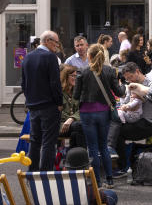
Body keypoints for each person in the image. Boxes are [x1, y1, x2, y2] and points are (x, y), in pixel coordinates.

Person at [73, 44, 125, 187]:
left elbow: (76, 95)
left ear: (89, 56)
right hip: (103, 112)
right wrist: (124, 84)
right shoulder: (109, 71)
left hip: (86, 113)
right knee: (104, 146)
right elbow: (120, 92)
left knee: (92, 148)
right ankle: (109, 179)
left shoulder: (82, 71)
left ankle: (97, 182)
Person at [21, 30, 63, 172]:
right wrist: (59, 103)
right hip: (49, 106)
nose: (57, 46)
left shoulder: (27, 57)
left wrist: (29, 100)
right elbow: (55, 83)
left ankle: (32, 172)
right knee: (48, 142)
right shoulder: (50, 57)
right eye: (56, 42)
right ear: (47, 41)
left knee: (35, 141)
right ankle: (44, 174)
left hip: (33, 106)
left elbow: (23, 83)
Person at [58, 64, 85, 149]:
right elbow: (56, 112)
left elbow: (82, 109)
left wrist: (72, 118)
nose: (75, 78)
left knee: (76, 133)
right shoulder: (58, 92)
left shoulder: (77, 91)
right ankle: (82, 158)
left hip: (73, 124)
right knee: (80, 126)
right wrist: (71, 119)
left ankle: (74, 157)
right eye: (72, 76)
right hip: (60, 125)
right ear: (65, 76)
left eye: (76, 76)